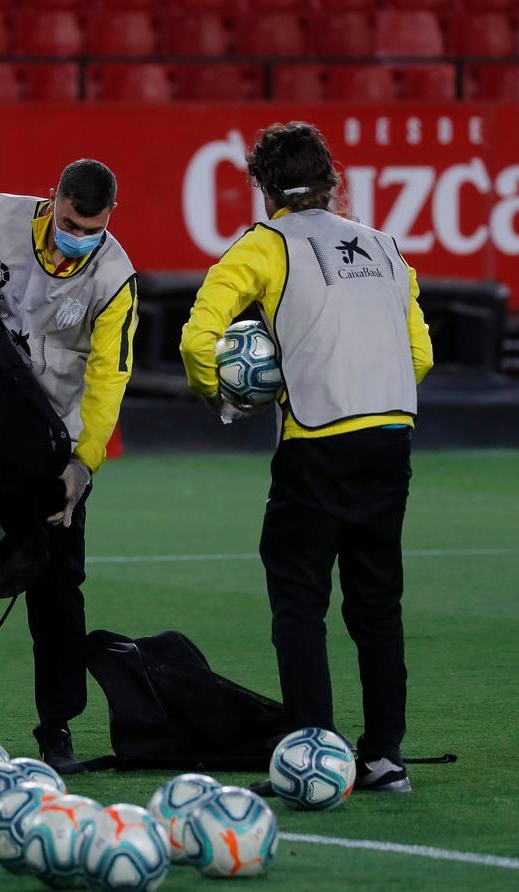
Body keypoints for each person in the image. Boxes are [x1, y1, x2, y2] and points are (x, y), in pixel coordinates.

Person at [179, 122, 433, 793]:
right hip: (390, 437)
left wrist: (221, 397)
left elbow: (198, 338)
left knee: (299, 602)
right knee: (376, 604)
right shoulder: (385, 247)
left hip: (316, 445)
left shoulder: (262, 247)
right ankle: (384, 758)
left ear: (267, 191)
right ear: (333, 183)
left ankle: (314, 759)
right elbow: (421, 357)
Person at [0, 159, 139, 773]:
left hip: (54, 451)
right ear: (54, 200)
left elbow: (109, 377)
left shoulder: (115, 277)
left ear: (110, 219)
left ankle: (56, 727)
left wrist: (84, 465)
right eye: (73, 222)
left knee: (57, 595)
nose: (81, 237)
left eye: (94, 228)